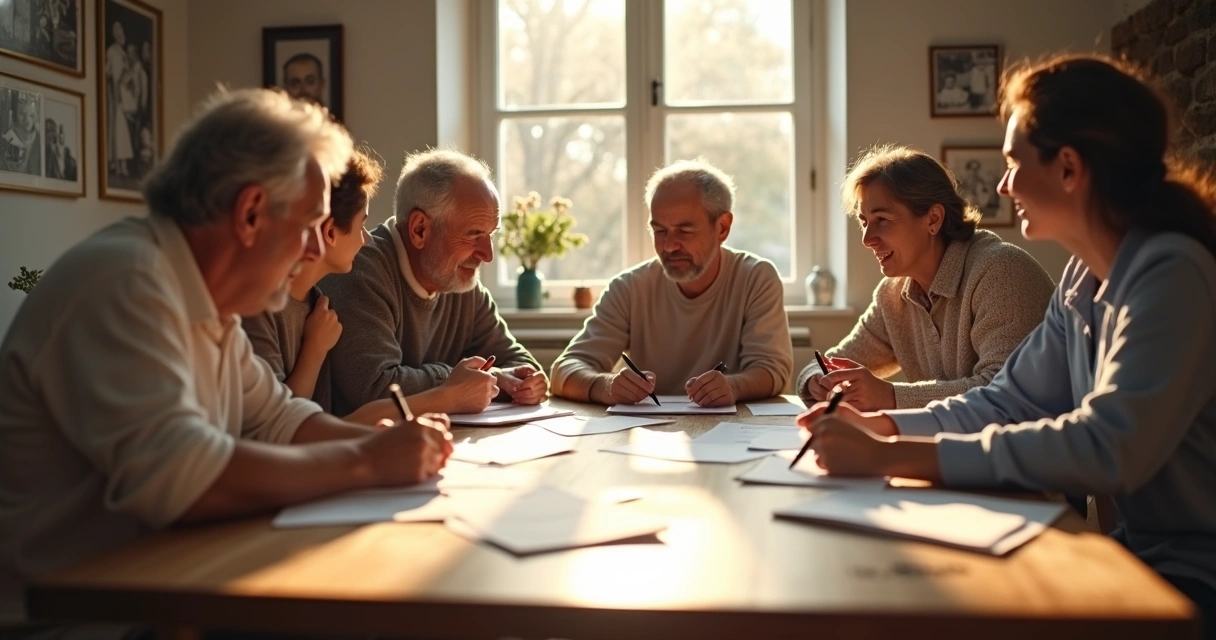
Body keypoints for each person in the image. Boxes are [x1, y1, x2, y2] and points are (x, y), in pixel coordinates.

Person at [0, 88, 453, 632]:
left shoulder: (205, 299)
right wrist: (369, 462)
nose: (315, 249)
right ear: (251, 213)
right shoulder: (125, 281)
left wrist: (386, 444)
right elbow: (182, 478)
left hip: (157, 596)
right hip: (79, 624)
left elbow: (277, 419)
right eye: (308, 225)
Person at [798, 54, 1216, 638]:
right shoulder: (1082, 278)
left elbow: (1109, 444)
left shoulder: (1171, 271)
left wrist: (889, 457)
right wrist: (885, 427)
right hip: (1135, 550)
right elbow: (1009, 401)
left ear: (1068, 168)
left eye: (1015, 163)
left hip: (1195, 572)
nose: (1002, 185)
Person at [795, 144, 1054, 411]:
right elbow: (830, 363)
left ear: (933, 219)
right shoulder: (893, 295)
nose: (867, 239)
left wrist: (890, 396)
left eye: (881, 219)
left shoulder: (1001, 271)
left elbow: (1005, 393)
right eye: (864, 221)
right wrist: (815, 380)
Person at [550, 159, 791, 407]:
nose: (669, 246)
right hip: (645, 429)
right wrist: (606, 386)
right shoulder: (629, 288)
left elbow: (772, 370)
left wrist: (734, 386)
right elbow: (563, 370)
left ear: (722, 228)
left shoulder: (756, 278)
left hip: (732, 425)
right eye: (659, 231)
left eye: (685, 231)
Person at [324, 148, 546, 416]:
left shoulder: (460, 282)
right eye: (474, 235)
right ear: (419, 229)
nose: (487, 255)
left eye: (491, 235)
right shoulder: (359, 272)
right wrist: (464, 380)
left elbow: (519, 363)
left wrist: (527, 383)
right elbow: (374, 389)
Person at [243, 148, 450, 423]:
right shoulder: (259, 309)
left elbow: (323, 420)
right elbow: (278, 425)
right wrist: (314, 349)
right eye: (362, 225)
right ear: (330, 232)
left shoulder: (319, 306)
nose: (367, 239)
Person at [1, 95, 41, 176]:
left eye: (31, 114)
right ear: (15, 115)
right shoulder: (7, 139)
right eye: (22, 114)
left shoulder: (39, 139)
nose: (27, 119)